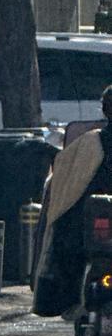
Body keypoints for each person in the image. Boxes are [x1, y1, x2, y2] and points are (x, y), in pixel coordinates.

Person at [33, 84, 112, 318]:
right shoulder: (89, 144)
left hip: (81, 235)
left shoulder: (87, 144)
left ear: (104, 110)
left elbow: (62, 189)